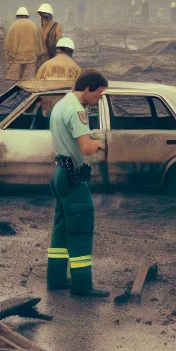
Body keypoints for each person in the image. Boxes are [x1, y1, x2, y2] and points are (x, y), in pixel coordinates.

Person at [49, 71, 110, 297]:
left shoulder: (61, 104)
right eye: (100, 94)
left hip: (59, 172)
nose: (100, 99)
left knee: (61, 231)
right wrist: (99, 145)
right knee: (81, 230)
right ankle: (82, 285)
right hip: (74, 175)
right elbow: (86, 148)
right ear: (88, 89)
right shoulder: (76, 111)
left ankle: (55, 279)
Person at [3, 6, 40, 80]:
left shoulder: (14, 25)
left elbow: (8, 42)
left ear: (17, 15)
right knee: (29, 80)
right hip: (31, 56)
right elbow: (38, 42)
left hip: (16, 57)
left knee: (14, 79)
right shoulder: (33, 26)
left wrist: (9, 54)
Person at [36, 4, 62, 72]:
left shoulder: (56, 26)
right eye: (42, 15)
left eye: (45, 15)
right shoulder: (41, 27)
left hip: (52, 56)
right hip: (43, 58)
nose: (43, 18)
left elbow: (59, 42)